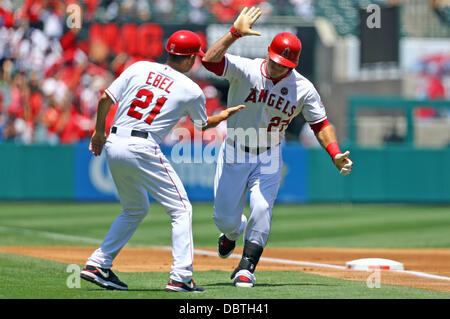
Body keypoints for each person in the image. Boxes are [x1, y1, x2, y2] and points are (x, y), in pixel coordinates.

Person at [80, 30, 244, 292]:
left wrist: (98, 133)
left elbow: (104, 99)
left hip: (114, 142)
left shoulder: (139, 67)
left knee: (135, 209)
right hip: (142, 145)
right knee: (181, 210)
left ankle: (98, 263)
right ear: (191, 59)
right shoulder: (191, 89)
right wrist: (223, 115)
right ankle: (181, 276)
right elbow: (202, 126)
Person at [201, 7, 353, 287]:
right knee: (224, 219)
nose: (277, 66)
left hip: (269, 154)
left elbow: (320, 124)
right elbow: (209, 63)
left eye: (284, 63)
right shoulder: (246, 68)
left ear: (293, 64)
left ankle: (247, 266)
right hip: (235, 149)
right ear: (268, 54)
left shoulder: (303, 88)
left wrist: (334, 154)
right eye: (274, 60)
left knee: (261, 208)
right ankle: (233, 233)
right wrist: (234, 33)